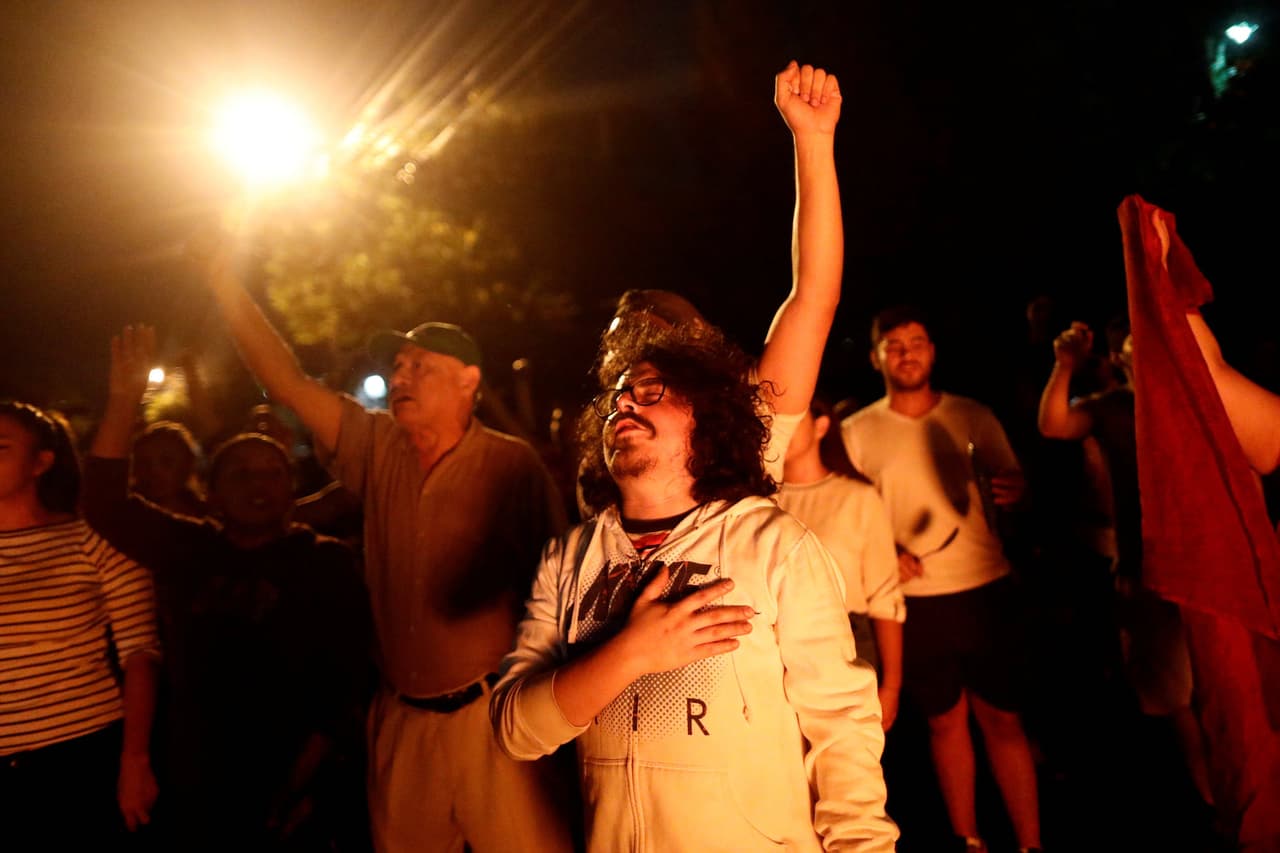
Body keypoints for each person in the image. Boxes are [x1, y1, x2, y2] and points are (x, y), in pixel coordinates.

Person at [190, 240, 573, 853]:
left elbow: (560, 587)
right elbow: (286, 383)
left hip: (494, 718)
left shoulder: (511, 465)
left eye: (419, 365)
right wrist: (222, 282)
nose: (400, 376)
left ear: (467, 381)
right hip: (403, 716)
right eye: (397, 366)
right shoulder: (375, 445)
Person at [491, 322, 898, 851]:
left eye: (649, 391)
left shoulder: (774, 543)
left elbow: (841, 727)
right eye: (615, 399)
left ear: (705, 414)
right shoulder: (568, 558)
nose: (623, 407)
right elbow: (516, 732)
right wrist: (631, 653)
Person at [83, 326, 376, 851]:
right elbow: (105, 504)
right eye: (240, 474)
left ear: (291, 487)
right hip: (195, 777)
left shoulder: (323, 562)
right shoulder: (189, 547)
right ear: (212, 494)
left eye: (271, 473)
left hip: (300, 779)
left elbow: (345, 681)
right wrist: (125, 400)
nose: (258, 485)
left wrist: (301, 778)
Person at [841, 305, 1042, 853]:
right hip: (913, 603)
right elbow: (851, 518)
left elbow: (1012, 481)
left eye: (918, 341)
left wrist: (1016, 491)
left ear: (933, 351)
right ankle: (968, 839)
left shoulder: (973, 416)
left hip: (984, 587)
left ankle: (1030, 842)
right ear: (876, 357)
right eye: (895, 344)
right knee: (944, 724)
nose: (907, 352)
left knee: (1003, 719)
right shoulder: (856, 433)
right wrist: (887, 550)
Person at [595, 59, 844, 486]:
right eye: (619, 339)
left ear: (692, 346)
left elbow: (814, 296)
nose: (628, 348)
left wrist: (814, 140)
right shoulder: (606, 449)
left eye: (647, 334)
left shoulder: (747, 419)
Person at [1037, 320, 1213, 807]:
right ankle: (1215, 809)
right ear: (1119, 359)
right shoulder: (1114, 408)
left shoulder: (1200, 394)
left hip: (1212, 566)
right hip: (1149, 572)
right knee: (1179, 699)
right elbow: (1053, 425)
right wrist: (1065, 366)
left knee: (1231, 689)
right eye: (1131, 348)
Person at [0, 399, 161, 846]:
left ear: (41, 462)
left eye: (0, 447)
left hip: (78, 757)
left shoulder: (92, 538)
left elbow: (140, 653)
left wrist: (135, 760)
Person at [776, 394, 905, 729]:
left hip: (846, 639)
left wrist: (891, 685)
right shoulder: (760, 500)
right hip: (776, 644)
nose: (781, 431)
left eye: (794, 421)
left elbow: (884, 596)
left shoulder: (857, 498)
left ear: (821, 426)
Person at [130, 420, 208, 517]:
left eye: (167, 462)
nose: (154, 471)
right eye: (144, 463)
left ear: (186, 465)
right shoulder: (127, 513)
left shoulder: (205, 520)